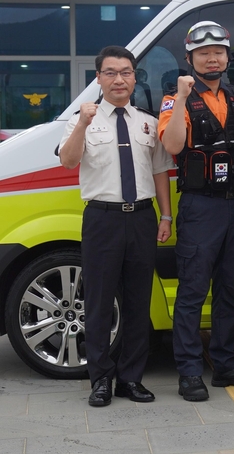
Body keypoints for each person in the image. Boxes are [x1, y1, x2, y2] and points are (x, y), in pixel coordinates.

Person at [58, 46, 174, 407]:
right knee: (98, 303)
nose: (119, 79)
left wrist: (166, 215)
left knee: (139, 301)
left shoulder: (147, 122)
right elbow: (68, 161)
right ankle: (100, 380)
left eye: (125, 72)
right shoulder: (81, 119)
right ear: (98, 78)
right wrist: (82, 123)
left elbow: (159, 172)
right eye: (110, 72)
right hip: (102, 219)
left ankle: (130, 379)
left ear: (135, 77)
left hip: (141, 217)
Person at [158, 21, 234, 401]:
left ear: (226, 56)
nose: (212, 58)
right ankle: (189, 371)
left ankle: (225, 364)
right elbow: (173, 145)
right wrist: (183, 98)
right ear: (190, 60)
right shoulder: (175, 100)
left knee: (229, 291)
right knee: (192, 292)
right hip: (200, 207)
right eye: (203, 53)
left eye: (218, 52)